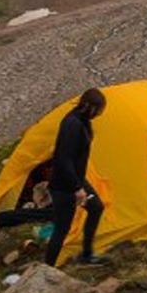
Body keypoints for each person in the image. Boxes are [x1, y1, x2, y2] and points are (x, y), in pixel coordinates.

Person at [43, 87, 108, 267]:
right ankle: (47, 268)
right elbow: (63, 159)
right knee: (62, 229)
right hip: (64, 186)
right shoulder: (72, 124)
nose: (99, 114)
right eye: (99, 110)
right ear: (90, 106)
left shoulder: (82, 120)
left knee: (96, 207)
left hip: (75, 180)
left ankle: (86, 254)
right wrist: (76, 189)